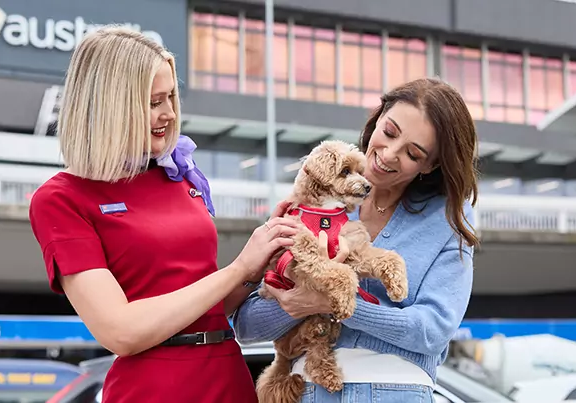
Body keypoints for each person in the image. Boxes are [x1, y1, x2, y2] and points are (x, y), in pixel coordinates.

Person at [28, 26, 301, 403]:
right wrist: (238, 268)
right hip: (154, 388)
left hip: (228, 375)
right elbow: (120, 331)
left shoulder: (181, 177)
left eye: (171, 96)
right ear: (111, 103)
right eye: (154, 101)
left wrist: (263, 258)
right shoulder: (61, 199)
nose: (170, 113)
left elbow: (208, 308)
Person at [233, 78, 479, 403]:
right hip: (307, 389)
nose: (389, 154)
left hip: (396, 391)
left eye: (413, 153)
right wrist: (300, 300)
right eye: (389, 132)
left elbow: (433, 330)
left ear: (431, 164)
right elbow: (246, 327)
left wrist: (336, 305)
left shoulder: (449, 215)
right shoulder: (314, 198)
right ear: (378, 118)